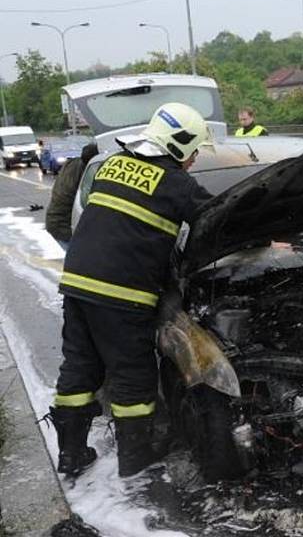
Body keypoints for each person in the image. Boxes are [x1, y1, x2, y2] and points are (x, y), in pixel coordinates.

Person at [45, 102, 214, 478]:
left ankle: (71, 454)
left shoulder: (112, 165)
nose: (195, 159)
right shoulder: (176, 184)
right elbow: (217, 218)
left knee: (80, 366)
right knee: (132, 374)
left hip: (77, 283)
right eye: (195, 150)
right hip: (121, 293)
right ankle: (135, 458)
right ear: (182, 143)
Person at [45, 142, 99, 251]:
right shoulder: (85, 174)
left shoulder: (72, 163)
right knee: (81, 262)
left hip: (54, 222)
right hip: (63, 226)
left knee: (78, 261)